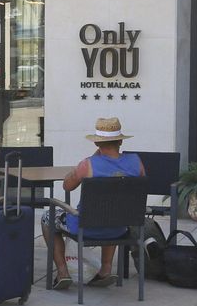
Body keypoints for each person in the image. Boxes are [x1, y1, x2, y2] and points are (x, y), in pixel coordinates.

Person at [45, 116, 146, 290]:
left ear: (96, 143)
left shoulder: (88, 165)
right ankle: (105, 269)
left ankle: (62, 272)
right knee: (113, 210)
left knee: (48, 217)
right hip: (120, 229)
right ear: (120, 141)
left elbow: (67, 186)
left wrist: (84, 164)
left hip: (86, 227)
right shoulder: (136, 162)